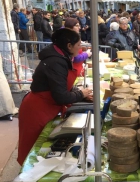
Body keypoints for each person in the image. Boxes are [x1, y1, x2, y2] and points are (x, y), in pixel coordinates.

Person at [17, 28, 93, 165]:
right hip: (37, 111)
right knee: (33, 153)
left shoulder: (61, 56)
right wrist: (81, 93)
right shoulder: (56, 62)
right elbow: (61, 96)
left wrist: (80, 94)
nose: (80, 48)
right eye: (78, 45)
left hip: (46, 107)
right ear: (69, 46)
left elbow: (62, 85)